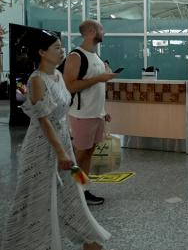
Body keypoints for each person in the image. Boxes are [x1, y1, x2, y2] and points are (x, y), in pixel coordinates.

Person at [1, 30, 110, 250]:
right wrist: (60, 152)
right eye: (57, 48)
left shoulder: (58, 76)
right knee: (39, 196)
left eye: (61, 46)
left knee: (71, 191)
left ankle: (88, 238)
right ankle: (31, 242)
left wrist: (65, 145)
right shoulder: (36, 80)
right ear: (42, 52)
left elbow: (59, 114)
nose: (62, 51)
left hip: (61, 140)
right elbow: (44, 121)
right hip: (42, 145)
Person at [63, 20, 117, 206]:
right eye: (102, 29)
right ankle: (70, 190)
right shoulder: (76, 56)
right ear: (92, 31)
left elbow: (97, 88)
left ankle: (82, 189)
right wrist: (99, 78)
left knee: (89, 152)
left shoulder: (96, 57)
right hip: (82, 114)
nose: (104, 32)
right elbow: (69, 86)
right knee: (80, 153)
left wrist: (103, 111)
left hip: (96, 114)